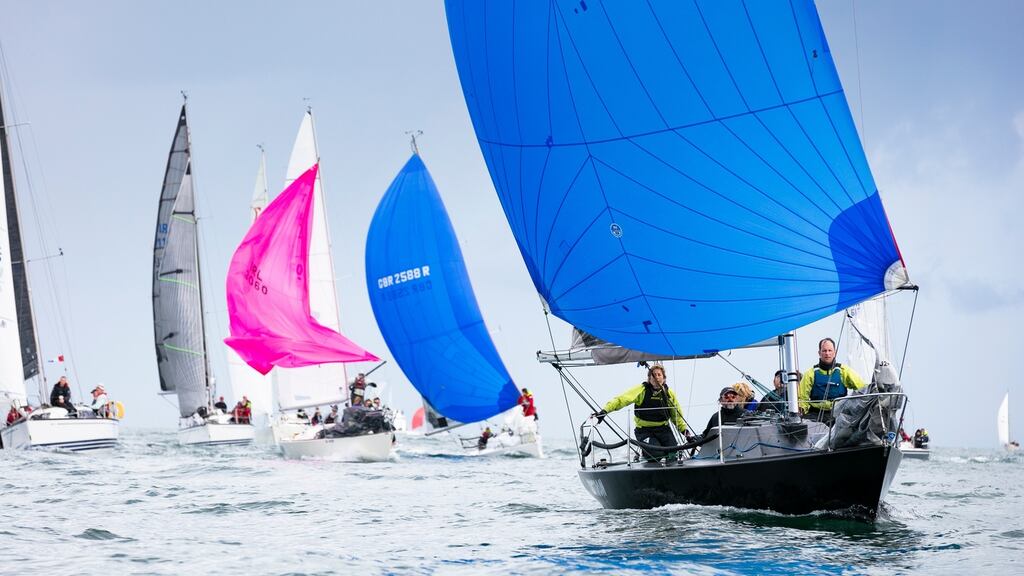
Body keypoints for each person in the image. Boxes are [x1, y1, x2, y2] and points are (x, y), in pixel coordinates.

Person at [593, 365, 688, 461]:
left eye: (659, 375)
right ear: (649, 378)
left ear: (664, 378)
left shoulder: (669, 394)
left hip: (663, 429)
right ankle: (645, 453)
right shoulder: (641, 390)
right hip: (644, 431)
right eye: (653, 375)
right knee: (656, 455)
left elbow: (677, 416)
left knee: (673, 453)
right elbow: (621, 400)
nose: (657, 377)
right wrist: (604, 411)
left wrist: (685, 432)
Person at [798, 338, 865, 424]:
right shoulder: (810, 374)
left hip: (839, 413)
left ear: (835, 352)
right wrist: (802, 411)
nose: (827, 353)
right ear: (819, 353)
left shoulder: (844, 371)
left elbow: (862, 387)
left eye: (830, 350)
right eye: (824, 351)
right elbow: (803, 398)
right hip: (815, 415)